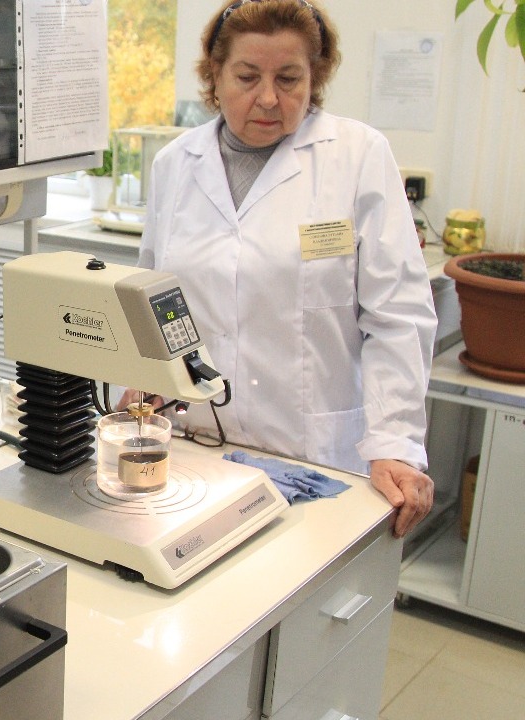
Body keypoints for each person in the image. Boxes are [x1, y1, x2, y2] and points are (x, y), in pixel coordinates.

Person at [124, 0, 437, 538]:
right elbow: (151, 298)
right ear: (215, 75)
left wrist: (396, 443)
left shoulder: (357, 156)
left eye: (289, 79)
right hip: (197, 444)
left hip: (315, 455)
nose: (268, 98)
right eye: (248, 77)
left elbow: (397, 316)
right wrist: (143, 381)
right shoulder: (175, 163)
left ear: (315, 77)